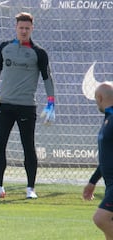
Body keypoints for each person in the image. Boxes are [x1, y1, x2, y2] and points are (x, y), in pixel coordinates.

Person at [0, 12, 55, 200]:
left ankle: (30, 188)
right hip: (4, 105)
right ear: (16, 28)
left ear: (32, 29)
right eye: (21, 27)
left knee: (28, 148)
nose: (24, 31)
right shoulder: (5, 47)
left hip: (26, 106)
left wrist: (51, 103)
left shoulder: (38, 52)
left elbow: (47, 77)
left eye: (27, 28)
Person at [82, 82, 113, 240]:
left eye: (95, 99)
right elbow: (107, 158)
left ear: (100, 98)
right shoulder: (108, 118)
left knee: (101, 219)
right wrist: (93, 181)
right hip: (109, 184)